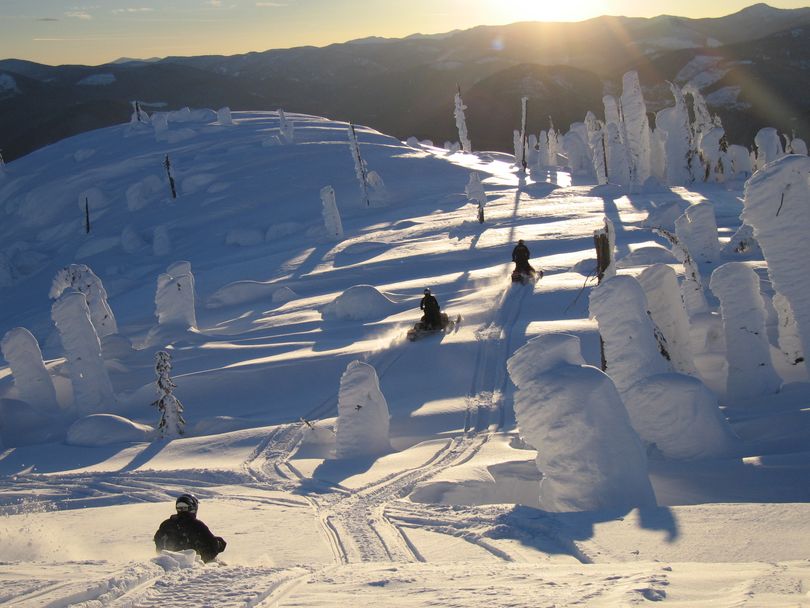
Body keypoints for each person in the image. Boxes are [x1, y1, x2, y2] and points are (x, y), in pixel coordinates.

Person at [154, 493, 227, 563]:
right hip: (193, 564)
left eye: (183, 507)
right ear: (193, 508)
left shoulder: (166, 524)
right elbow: (212, 546)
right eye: (180, 508)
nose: (182, 510)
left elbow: (158, 543)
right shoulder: (197, 525)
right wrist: (219, 544)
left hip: (167, 563)